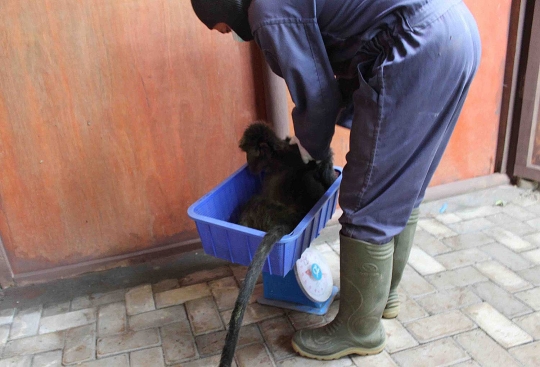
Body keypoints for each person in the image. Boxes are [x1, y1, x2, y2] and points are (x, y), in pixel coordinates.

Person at [191, 0, 481, 361]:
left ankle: (360, 329)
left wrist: (310, 158)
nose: (228, 34)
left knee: (367, 195)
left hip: (418, 43)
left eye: (221, 27)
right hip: (457, 30)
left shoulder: (266, 11)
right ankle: (382, 296)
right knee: (404, 181)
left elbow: (316, 97)